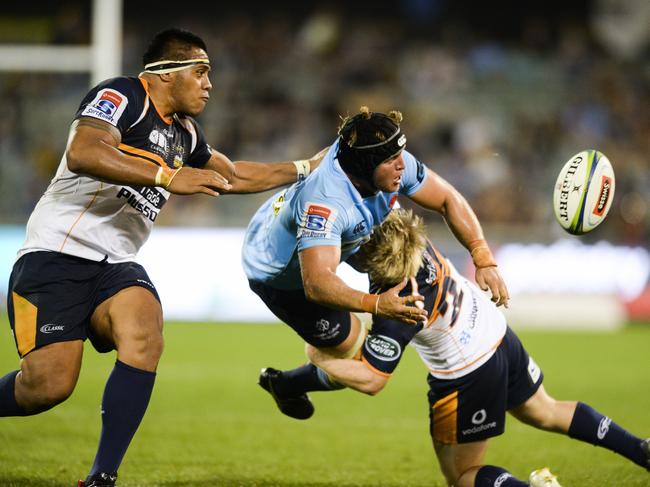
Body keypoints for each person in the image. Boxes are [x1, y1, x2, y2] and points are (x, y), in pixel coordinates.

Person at [0, 28, 322, 487]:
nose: (210, 84)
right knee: (46, 387)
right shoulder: (123, 95)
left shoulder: (186, 134)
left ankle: (102, 476)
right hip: (57, 255)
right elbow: (83, 150)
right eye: (201, 72)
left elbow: (232, 176)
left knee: (145, 331)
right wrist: (166, 176)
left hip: (115, 265)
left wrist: (307, 167)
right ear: (166, 74)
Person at [305, 209, 650, 487]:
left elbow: (371, 379)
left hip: (468, 371)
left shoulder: (398, 301)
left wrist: (320, 357)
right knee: (544, 410)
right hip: (495, 332)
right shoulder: (410, 237)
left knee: (462, 476)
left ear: (371, 255)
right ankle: (642, 450)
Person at [242, 106, 509, 420]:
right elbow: (316, 283)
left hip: (336, 237)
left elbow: (448, 199)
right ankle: (286, 385)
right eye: (391, 160)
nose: (403, 165)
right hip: (281, 274)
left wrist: (483, 257)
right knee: (356, 361)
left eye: (401, 154)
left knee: (394, 259)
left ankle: (286, 384)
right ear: (367, 165)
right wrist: (377, 304)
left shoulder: (387, 162)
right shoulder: (325, 203)